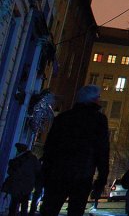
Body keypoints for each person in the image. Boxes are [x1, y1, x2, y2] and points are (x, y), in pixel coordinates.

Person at [39, 84, 109, 216]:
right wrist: (101, 178)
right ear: (94, 100)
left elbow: (50, 148)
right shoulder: (98, 120)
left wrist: (45, 172)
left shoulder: (63, 118)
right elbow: (102, 151)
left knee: (50, 209)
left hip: (58, 174)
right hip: (82, 175)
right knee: (75, 211)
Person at [3, 143, 40, 216]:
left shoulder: (18, 159)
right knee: (24, 204)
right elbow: (38, 170)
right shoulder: (33, 158)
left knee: (14, 203)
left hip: (17, 184)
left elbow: (10, 171)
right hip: (27, 185)